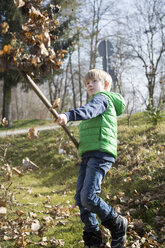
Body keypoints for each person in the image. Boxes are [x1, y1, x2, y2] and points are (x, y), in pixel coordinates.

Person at [56, 69, 128, 248]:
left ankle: (118, 224)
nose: (89, 85)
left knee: (88, 197)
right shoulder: (96, 101)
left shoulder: (102, 98)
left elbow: (88, 111)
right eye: (86, 83)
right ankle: (93, 238)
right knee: (81, 199)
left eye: (93, 81)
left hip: (100, 153)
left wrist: (68, 115)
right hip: (89, 155)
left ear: (105, 85)